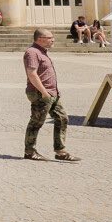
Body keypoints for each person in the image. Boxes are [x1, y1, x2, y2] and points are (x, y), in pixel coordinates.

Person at [23, 29, 78, 161]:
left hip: (52, 93)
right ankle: (29, 152)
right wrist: (43, 92)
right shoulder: (32, 52)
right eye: (50, 37)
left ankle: (60, 151)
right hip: (40, 93)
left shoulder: (43, 52)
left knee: (62, 118)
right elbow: (32, 74)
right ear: (40, 38)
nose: (53, 40)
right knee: (36, 122)